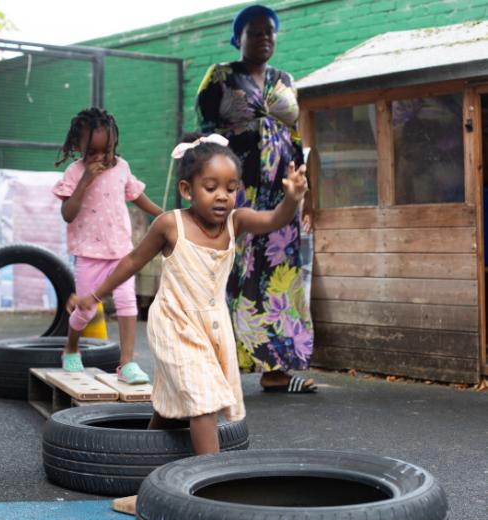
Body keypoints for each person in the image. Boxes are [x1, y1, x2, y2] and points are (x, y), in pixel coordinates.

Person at [68, 133, 308, 454]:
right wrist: (94, 296)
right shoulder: (170, 225)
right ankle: (212, 481)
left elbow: (273, 219)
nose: (222, 196)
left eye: (231, 188)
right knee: (204, 400)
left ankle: (140, 461)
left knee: (171, 409)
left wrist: (291, 199)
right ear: (187, 190)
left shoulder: (236, 222)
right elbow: (132, 261)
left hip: (212, 326)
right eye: (211, 188)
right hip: (174, 323)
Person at [196, 4, 316, 393]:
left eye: (270, 32)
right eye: (255, 32)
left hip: (279, 193)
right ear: (239, 38)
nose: (264, 38)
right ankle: (218, 363)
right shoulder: (221, 75)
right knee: (232, 271)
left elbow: (295, 137)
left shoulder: (286, 79)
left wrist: (302, 191)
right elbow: (205, 133)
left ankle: (276, 369)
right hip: (237, 190)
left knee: (281, 278)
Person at [52, 107, 163, 382]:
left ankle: (126, 363)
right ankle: (71, 346)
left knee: (127, 303)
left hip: (120, 251)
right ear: (78, 147)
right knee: (85, 310)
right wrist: (85, 181)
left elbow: (138, 196)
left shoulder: (122, 167)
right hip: (88, 253)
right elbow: (68, 214)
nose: (101, 157)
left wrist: (164, 215)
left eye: (107, 150)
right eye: (92, 152)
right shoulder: (75, 172)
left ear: (114, 144)